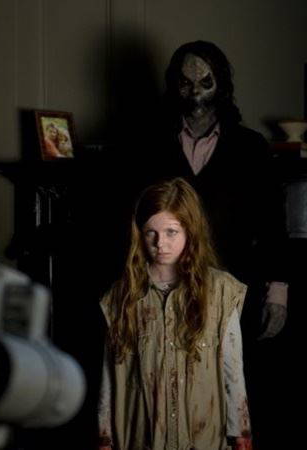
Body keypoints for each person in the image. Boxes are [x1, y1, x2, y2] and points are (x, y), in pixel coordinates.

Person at [137, 40, 290, 448]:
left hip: (235, 296)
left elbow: (274, 226)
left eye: (205, 82)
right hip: (164, 295)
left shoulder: (251, 147)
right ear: (174, 85)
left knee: (234, 401)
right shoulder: (148, 144)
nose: (195, 93)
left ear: (221, 84)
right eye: (185, 83)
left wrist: (278, 293)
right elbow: (135, 224)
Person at [98, 178, 252, 450]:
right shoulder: (121, 297)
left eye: (171, 232)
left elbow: (233, 369)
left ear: (190, 231)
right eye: (151, 233)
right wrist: (104, 436)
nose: (161, 244)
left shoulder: (221, 291)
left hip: (204, 438)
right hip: (142, 440)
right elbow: (109, 374)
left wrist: (241, 432)